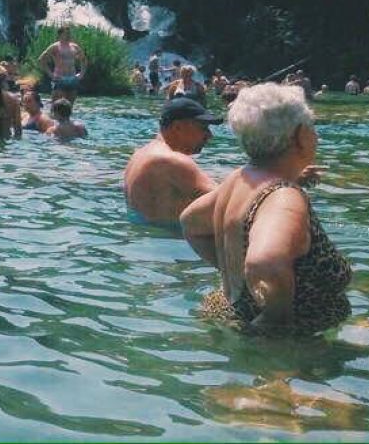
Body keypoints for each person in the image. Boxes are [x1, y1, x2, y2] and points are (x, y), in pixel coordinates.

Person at [180, 83, 350, 336]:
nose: (317, 135)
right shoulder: (284, 197)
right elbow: (266, 263)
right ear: (299, 135)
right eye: (313, 126)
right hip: (292, 346)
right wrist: (275, 324)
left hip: (227, 313)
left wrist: (233, 274)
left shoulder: (239, 179)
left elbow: (190, 222)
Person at [123, 97, 220, 225]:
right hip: (168, 240)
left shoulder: (139, 154)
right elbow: (229, 199)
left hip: (145, 239)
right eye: (203, 127)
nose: (209, 135)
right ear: (178, 127)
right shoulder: (171, 161)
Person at [39, 26, 86, 103]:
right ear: (60, 35)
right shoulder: (55, 46)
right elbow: (41, 60)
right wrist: (50, 74)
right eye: (66, 33)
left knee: (69, 106)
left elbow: (83, 59)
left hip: (72, 78)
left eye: (69, 33)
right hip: (59, 78)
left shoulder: (74, 46)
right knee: (56, 105)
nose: (68, 35)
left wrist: (81, 74)